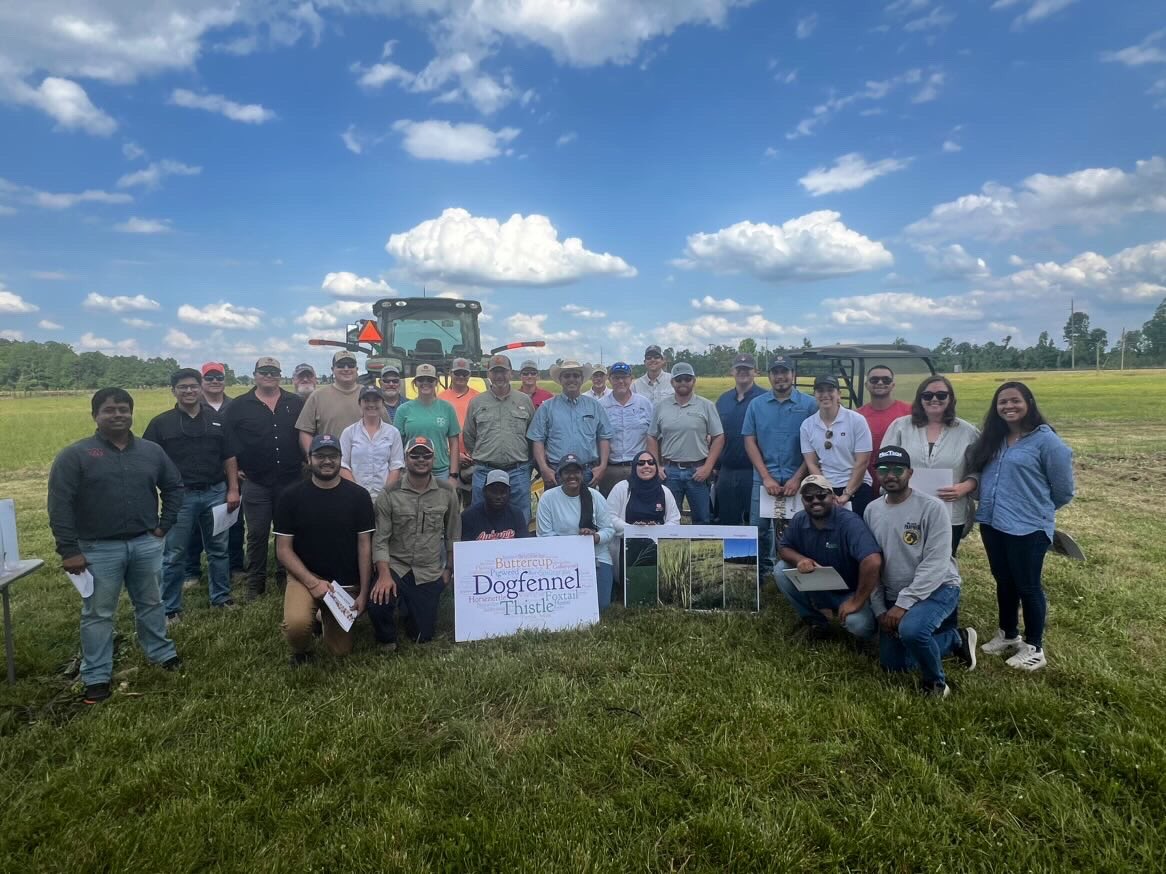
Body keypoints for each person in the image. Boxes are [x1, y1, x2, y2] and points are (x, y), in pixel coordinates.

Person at [47, 388, 183, 705]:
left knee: (151, 602)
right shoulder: (75, 455)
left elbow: (174, 486)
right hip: (96, 548)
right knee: (98, 613)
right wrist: (69, 550)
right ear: (95, 415)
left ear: (131, 413)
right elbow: (60, 506)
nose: (118, 414)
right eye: (109, 410)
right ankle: (96, 676)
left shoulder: (151, 452)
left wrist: (165, 524)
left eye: (123, 409)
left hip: (145, 542)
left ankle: (161, 653)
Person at [966, 381, 1074, 672]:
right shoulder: (995, 439)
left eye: (1015, 401)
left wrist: (1037, 510)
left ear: (1028, 402)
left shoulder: (1046, 442)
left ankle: (1035, 647)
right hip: (992, 522)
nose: (1008, 406)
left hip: (1028, 528)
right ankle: (1009, 634)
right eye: (1002, 402)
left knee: (1028, 585)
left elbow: (1064, 490)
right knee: (1004, 579)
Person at [864, 446, 978, 698]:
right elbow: (872, 563)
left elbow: (936, 563)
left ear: (910, 472)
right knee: (895, 664)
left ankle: (936, 683)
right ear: (876, 474)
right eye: (883, 469)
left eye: (897, 469)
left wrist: (903, 604)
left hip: (938, 588)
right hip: (895, 593)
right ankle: (955, 639)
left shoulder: (932, 508)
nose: (890, 475)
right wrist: (881, 610)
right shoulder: (871, 510)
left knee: (912, 631)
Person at [142, 368, 241, 620]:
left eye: (193, 386)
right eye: (183, 387)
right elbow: (148, 462)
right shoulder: (161, 423)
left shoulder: (218, 420)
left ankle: (221, 598)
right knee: (174, 554)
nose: (189, 391)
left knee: (219, 549)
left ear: (200, 388)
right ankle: (170, 608)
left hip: (215, 493)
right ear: (173, 390)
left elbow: (229, 456)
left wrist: (232, 489)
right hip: (180, 497)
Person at [274, 434, 375, 664]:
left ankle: (322, 616)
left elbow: (364, 547)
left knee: (340, 651)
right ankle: (303, 647)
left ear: (341, 459)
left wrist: (363, 593)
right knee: (297, 628)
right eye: (320, 455)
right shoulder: (290, 497)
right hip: (305, 577)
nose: (326, 461)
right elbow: (283, 550)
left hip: (344, 583)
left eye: (332, 456)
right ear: (309, 459)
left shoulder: (359, 496)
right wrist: (312, 583)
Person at [223, 356, 305, 600]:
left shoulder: (295, 403)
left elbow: (305, 434)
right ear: (255, 374)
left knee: (287, 532)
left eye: (273, 371)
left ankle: (285, 577)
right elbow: (229, 445)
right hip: (256, 481)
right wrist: (234, 480)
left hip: (290, 481)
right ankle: (255, 582)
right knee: (257, 534)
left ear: (280, 375)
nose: (269, 375)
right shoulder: (238, 406)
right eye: (264, 371)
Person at [370, 436, 461, 648]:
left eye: (426, 455)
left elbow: (453, 534)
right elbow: (380, 540)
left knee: (423, 635)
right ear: (406, 458)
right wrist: (383, 575)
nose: (421, 460)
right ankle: (386, 638)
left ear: (434, 459)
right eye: (415, 455)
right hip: (397, 566)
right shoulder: (389, 494)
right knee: (378, 601)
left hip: (428, 570)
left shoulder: (448, 492)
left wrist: (448, 568)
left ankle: (408, 608)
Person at [776, 475, 881, 642]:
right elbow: (783, 548)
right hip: (820, 586)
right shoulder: (799, 519)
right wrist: (800, 559)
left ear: (833, 497)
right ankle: (816, 622)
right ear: (803, 501)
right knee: (781, 569)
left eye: (821, 495)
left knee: (859, 625)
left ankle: (868, 632)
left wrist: (856, 601)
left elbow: (873, 561)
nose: (815, 501)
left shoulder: (849, 522)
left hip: (850, 590)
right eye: (809, 497)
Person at [883, 375, 981, 555]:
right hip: (905, 509)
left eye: (941, 395)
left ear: (950, 398)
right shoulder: (900, 427)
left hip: (950, 512)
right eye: (927, 395)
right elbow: (884, 465)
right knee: (903, 560)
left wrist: (966, 486)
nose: (934, 399)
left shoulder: (968, 432)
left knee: (942, 563)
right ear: (920, 399)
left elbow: (983, 469)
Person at [743, 355, 817, 580]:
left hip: (800, 478)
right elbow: (749, 440)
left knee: (803, 527)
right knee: (760, 528)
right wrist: (765, 477)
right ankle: (765, 574)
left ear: (792, 375)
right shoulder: (756, 405)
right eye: (775, 372)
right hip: (766, 478)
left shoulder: (809, 405)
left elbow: (814, 446)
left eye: (784, 372)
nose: (780, 377)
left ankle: (801, 571)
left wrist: (798, 478)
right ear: (769, 376)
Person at [185, 360, 244, 584]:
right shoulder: (192, 405)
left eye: (218, 377)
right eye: (209, 378)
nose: (214, 382)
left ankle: (236, 567)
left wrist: (240, 469)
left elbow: (241, 440)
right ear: (202, 382)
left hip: (233, 476)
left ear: (224, 380)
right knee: (195, 527)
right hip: (202, 477)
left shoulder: (235, 405)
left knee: (235, 522)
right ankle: (191, 571)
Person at [646, 363, 724, 524]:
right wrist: (657, 466)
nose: (683, 383)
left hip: (697, 472)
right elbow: (651, 436)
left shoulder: (706, 405)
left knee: (702, 519)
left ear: (693, 381)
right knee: (668, 519)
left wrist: (708, 467)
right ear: (672, 382)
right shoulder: (661, 407)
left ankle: (701, 549)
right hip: (670, 472)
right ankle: (671, 549)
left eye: (687, 379)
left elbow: (719, 437)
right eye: (679, 379)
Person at [536, 455, 616, 610]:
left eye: (576, 471)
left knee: (601, 605)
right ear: (559, 476)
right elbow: (545, 536)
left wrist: (595, 537)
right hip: (561, 559)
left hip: (596, 555)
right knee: (564, 606)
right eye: (567, 472)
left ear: (582, 474)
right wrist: (577, 544)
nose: (572, 476)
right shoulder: (548, 498)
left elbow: (609, 530)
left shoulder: (595, 496)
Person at [463, 354, 535, 522]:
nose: (499, 376)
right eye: (495, 372)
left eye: (503, 371)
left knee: (520, 518)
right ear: (489, 374)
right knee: (480, 519)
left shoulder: (524, 401)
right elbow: (469, 435)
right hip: (484, 471)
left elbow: (532, 436)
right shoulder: (477, 402)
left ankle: (520, 549)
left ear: (511, 373)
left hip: (517, 472)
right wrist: (484, 456)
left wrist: (526, 464)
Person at [528, 359, 613, 487]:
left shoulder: (595, 406)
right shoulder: (547, 408)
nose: (571, 379)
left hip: (587, 472)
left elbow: (604, 437)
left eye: (576, 375)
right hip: (557, 472)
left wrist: (602, 466)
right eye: (567, 376)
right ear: (560, 380)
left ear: (582, 378)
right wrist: (544, 468)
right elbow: (537, 439)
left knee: (587, 507)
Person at [800, 375, 875, 518]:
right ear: (815, 395)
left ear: (839, 394)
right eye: (820, 391)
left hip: (857, 486)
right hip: (825, 488)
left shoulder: (857, 420)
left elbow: (862, 462)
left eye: (830, 390)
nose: (825, 395)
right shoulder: (807, 425)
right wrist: (828, 492)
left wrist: (847, 494)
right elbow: (812, 463)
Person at [604, 450, 681, 568]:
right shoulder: (621, 488)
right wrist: (634, 530)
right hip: (627, 547)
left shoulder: (665, 491)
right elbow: (609, 517)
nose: (646, 466)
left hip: (657, 546)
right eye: (641, 463)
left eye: (651, 463)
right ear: (634, 467)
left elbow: (675, 520)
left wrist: (657, 530)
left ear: (656, 467)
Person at [714, 353, 766, 525]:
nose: (743, 372)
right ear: (732, 372)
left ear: (755, 372)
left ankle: (758, 553)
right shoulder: (723, 400)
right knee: (728, 521)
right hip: (727, 471)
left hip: (754, 471)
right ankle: (734, 553)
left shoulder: (764, 399)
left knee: (756, 522)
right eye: (739, 369)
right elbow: (716, 435)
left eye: (747, 369)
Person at [393, 363, 461, 482]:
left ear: (436, 382)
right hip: (411, 473)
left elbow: (454, 444)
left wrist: (453, 475)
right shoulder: (403, 410)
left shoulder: (447, 408)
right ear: (415, 383)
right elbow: (397, 445)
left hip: (440, 472)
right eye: (421, 379)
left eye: (430, 379)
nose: (425, 383)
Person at [597, 362, 654, 496]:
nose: (620, 381)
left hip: (639, 467)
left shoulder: (644, 404)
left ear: (631, 379)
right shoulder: (601, 406)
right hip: (611, 469)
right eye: (616, 378)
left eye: (624, 377)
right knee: (611, 511)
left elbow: (653, 435)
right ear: (609, 380)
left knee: (639, 509)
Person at [296, 350, 369, 456]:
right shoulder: (317, 396)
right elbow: (305, 432)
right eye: (340, 365)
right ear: (332, 369)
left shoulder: (370, 395)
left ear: (357, 369)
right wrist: (312, 456)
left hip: (365, 464)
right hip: (329, 466)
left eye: (350, 365)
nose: (346, 369)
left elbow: (386, 429)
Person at [339, 385, 404, 499]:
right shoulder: (348, 432)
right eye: (366, 400)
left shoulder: (393, 433)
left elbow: (396, 466)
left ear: (383, 403)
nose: (371, 404)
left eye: (376, 400)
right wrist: (358, 492)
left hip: (385, 496)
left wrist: (385, 495)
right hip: (355, 496)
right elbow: (342, 465)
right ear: (360, 404)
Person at [857, 365, 912, 492]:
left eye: (886, 380)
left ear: (893, 385)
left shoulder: (910, 412)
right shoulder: (857, 416)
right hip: (865, 484)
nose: (880, 383)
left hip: (899, 484)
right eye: (874, 380)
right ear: (866, 385)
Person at [438, 357, 480, 503]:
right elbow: (438, 433)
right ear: (451, 373)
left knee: (473, 506)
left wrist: (472, 455)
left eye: (464, 373)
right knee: (449, 507)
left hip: (473, 461)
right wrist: (454, 455)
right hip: (447, 462)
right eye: (457, 373)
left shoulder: (479, 398)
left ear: (469, 375)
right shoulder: (440, 399)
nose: (461, 377)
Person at [461, 469, 533, 541]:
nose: (498, 496)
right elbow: (465, 548)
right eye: (494, 491)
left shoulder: (516, 514)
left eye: (503, 492)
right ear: (484, 491)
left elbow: (523, 545)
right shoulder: (469, 516)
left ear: (509, 492)